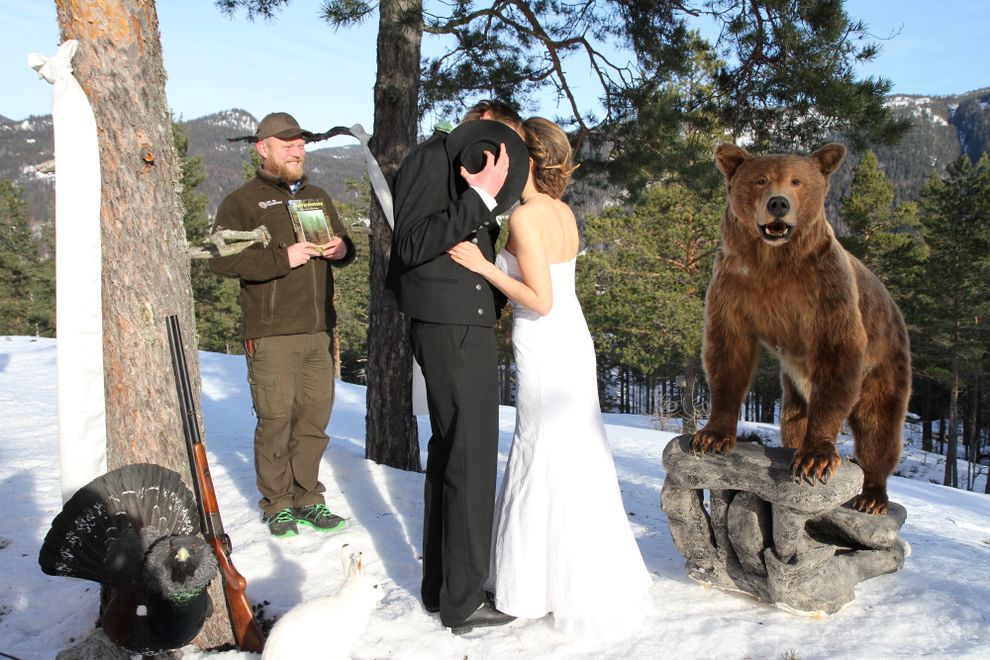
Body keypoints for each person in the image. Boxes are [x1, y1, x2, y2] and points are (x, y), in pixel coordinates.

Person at [448, 117, 654, 637]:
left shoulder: (526, 217)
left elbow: (541, 299)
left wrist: (483, 265)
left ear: (530, 162)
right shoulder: (561, 210)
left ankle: (528, 587)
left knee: (540, 450)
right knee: (575, 455)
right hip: (571, 341)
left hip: (546, 342)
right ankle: (568, 578)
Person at [386, 100, 529, 634]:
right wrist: (483, 197)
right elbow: (412, 244)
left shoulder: (455, 169)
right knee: (467, 461)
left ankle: (443, 588)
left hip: (459, 322)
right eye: (500, 137)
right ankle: (464, 601)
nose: (502, 153)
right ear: (480, 121)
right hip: (449, 325)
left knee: (452, 456)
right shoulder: (430, 159)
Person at [210, 112, 355, 539]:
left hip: (318, 331)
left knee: (313, 421)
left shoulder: (319, 196)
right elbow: (222, 257)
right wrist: (281, 258)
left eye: (301, 143)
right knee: (275, 421)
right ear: (264, 148)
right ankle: (277, 504)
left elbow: (346, 249)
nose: (297, 149)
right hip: (272, 333)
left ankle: (309, 498)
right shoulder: (244, 201)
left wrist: (340, 248)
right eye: (287, 143)